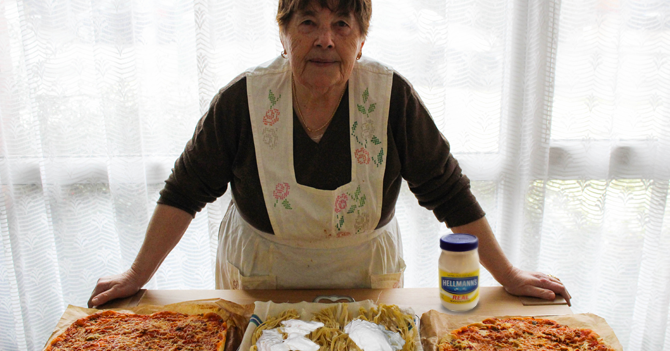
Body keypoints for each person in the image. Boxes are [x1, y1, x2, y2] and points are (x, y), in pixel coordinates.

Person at [89, 0, 571, 308]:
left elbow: (446, 189)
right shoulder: (243, 101)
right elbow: (185, 190)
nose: (325, 39)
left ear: (361, 41)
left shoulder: (391, 98)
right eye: (308, 22)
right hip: (261, 277)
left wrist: (507, 274)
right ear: (283, 35)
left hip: (365, 275)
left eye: (342, 23)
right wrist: (136, 274)